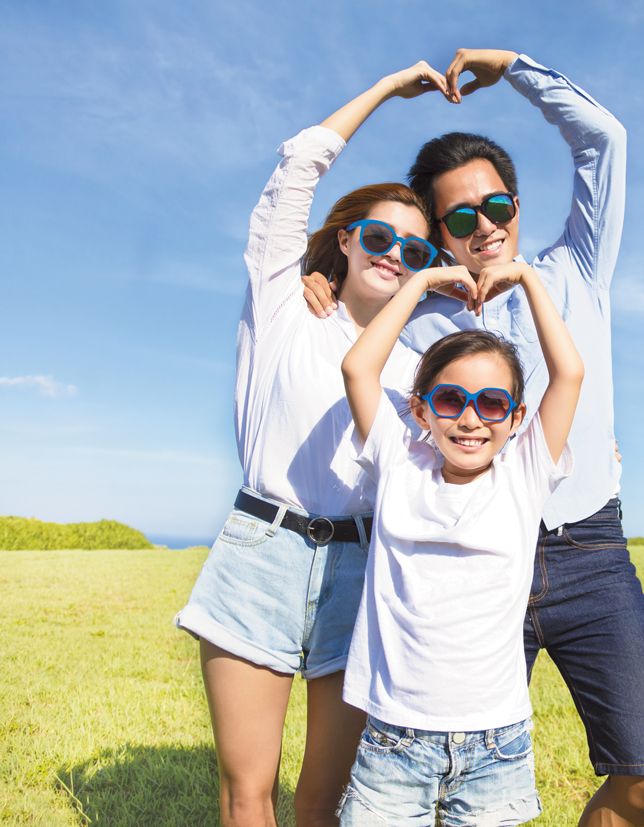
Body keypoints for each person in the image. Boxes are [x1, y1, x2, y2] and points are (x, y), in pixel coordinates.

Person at [304, 48, 644, 827]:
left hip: (589, 552)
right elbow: (350, 360)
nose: (488, 227)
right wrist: (318, 279)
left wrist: (512, 67)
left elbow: (603, 140)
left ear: (516, 204)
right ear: (441, 234)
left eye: (499, 206)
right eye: (463, 218)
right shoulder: (414, 320)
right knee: (450, 779)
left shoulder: (576, 270)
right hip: (466, 562)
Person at [175, 61, 450, 827]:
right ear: (346, 238)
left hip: (360, 571)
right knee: (247, 792)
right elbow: (300, 165)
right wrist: (392, 88)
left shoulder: (417, 371)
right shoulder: (282, 303)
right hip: (260, 547)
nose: (393, 252)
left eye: (416, 251)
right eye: (378, 236)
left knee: (324, 801)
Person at [335, 245, 582, 825]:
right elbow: (357, 368)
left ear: (516, 419)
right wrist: (420, 282)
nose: (470, 419)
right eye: (451, 399)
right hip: (394, 740)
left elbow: (569, 372)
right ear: (422, 410)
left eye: (492, 403)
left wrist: (524, 277)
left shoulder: (524, 474)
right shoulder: (398, 463)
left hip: (496, 745)